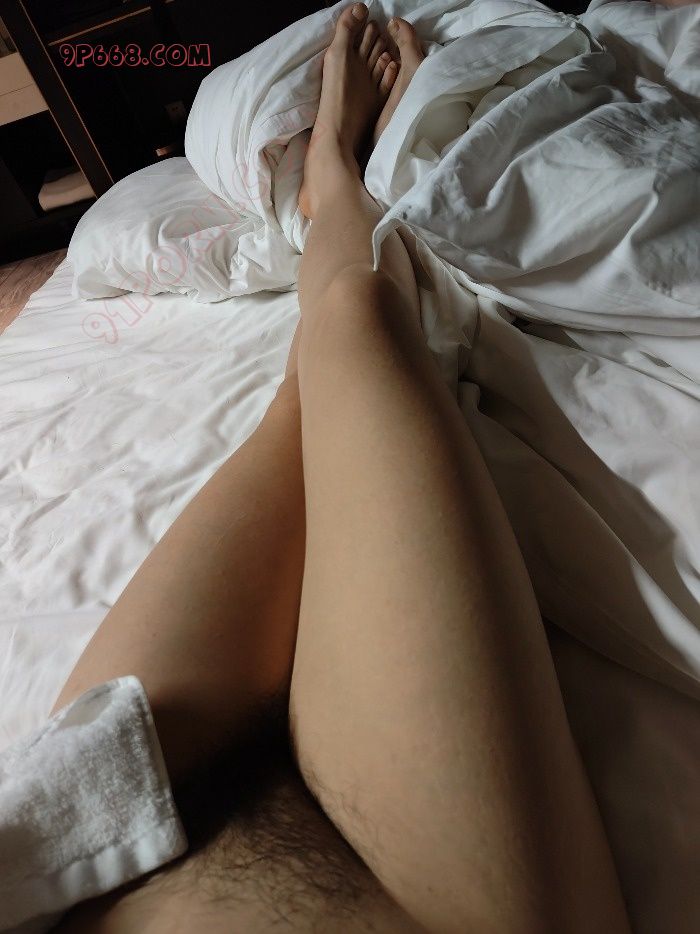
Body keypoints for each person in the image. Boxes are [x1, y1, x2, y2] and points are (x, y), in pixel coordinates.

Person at [52, 6, 630, 932]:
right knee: (359, 322)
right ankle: (340, 174)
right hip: (432, 906)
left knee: (311, 390)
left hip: (66, 835)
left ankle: (332, 166)